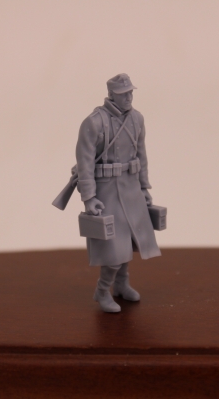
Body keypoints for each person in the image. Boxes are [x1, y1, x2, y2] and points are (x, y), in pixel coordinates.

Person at [75, 73, 161, 312]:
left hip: (131, 188)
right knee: (113, 247)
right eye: (124, 94)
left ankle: (122, 284)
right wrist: (89, 197)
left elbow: (141, 155)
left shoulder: (137, 118)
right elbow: (84, 161)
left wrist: (144, 187)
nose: (129, 97)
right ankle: (102, 291)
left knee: (130, 242)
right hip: (107, 191)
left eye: (131, 92)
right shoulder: (94, 122)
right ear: (111, 94)